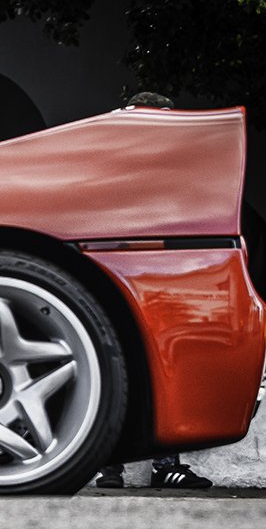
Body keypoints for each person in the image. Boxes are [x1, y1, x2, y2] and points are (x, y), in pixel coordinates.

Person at [97, 90, 214, 491]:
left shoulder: (158, 167)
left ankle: (145, 465)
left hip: (152, 276)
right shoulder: (119, 164)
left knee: (159, 367)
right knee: (131, 367)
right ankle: (116, 466)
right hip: (130, 274)